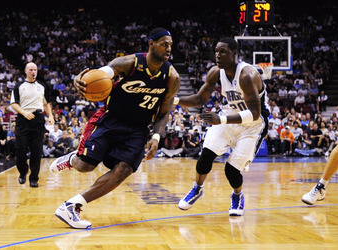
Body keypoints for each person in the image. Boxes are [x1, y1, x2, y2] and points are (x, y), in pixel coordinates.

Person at [49, 28, 180, 229]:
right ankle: (71, 159)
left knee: (124, 170)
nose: (169, 48)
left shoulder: (172, 76)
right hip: (112, 120)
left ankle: (72, 206)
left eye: (171, 44)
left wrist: (156, 136)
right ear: (152, 44)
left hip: (138, 129)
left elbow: (164, 111)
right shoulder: (129, 63)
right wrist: (81, 79)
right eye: (164, 43)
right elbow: (102, 74)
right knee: (85, 166)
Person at [175, 37, 269, 216]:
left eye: (223, 51)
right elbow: (199, 99)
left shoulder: (247, 75)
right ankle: (197, 188)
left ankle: (238, 195)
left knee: (231, 170)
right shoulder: (215, 72)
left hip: (253, 125)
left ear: (235, 53)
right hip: (229, 115)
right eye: (216, 51)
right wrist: (174, 100)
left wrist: (221, 120)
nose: (217, 55)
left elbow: (254, 114)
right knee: (206, 155)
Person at [10, 62, 54, 188]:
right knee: (21, 149)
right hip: (23, 120)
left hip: (38, 119)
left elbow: (46, 104)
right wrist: (24, 113)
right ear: (25, 71)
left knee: (36, 151)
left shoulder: (42, 86)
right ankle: (23, 172)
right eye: (30, 70)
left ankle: (34, 178)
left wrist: (50, 116)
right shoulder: (19, 86)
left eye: (35, 69)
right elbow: (13, 104)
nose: (33, 72)